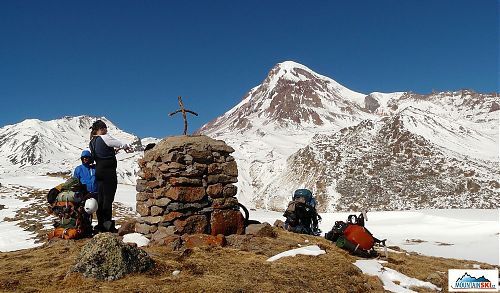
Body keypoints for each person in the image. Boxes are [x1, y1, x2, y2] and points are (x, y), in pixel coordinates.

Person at [89, 120, 131, 233]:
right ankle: (108, 225)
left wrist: (113, 152)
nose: (106, 130)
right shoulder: (104, 137)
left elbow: (102, 154)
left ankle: (101, 224)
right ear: (101, 129)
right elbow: (120, 143)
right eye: (105, 128)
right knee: (108, 198)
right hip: (108, 172)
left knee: (101, 198)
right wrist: (125, 146)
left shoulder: (92, 141)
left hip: (99, 171)